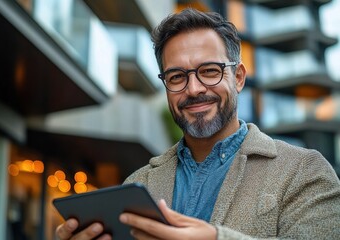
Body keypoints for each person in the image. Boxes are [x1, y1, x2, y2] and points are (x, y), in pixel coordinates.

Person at [56, 8, 340, 240]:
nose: (193, 89)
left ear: (238, 77)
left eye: (209, 71)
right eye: (177, 77)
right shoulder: (138, 183)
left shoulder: (304, 171)